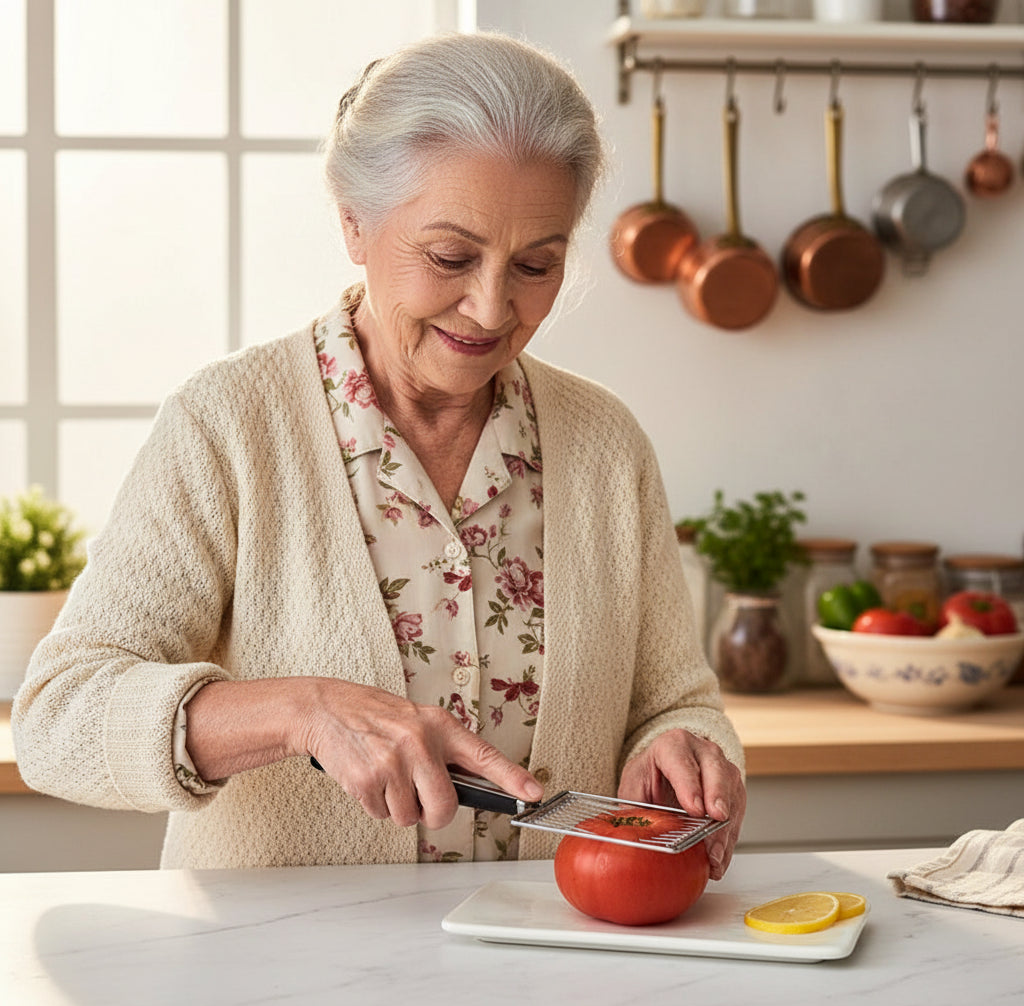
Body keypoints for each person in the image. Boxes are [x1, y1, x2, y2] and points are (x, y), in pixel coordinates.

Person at [13, 32, 745, 873]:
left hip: (552, 978)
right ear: (354, 223)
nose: (489, 305)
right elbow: (57, 719)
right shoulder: (230, 425)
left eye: (537, 265)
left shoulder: (606, 444)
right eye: (450, 256)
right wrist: (301, 710)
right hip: (283, 984)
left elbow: (674, 703)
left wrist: (687, 749)